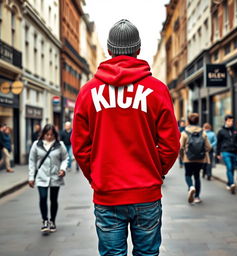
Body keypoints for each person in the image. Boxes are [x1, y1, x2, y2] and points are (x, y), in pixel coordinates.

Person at [71, 19, 180, 256]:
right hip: (146, 192)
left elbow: (80, 146)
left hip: (107, 192)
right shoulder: (156, 89)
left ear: (109, 51)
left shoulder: (88, 92)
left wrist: (97, 176)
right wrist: (156, 170)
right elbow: (171, 143)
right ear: (138, 50)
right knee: (148, 254)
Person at [28, 124, 68, 234]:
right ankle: (45, 220)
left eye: (51, 135)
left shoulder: (60, 145)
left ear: (55, 135)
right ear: (43, 134)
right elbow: (32, 161)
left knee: (53, 200)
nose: (49, 137)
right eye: (47, 134)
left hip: (55, 176)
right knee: (43, 197)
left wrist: (63, 169)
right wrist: (31, 177)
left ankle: (53, 221)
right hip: (41, 176)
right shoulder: (37, 144)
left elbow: (65, 158)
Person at [180, 113, 211, 204]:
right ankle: (197, 197)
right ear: (198, 121)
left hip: (188, 158)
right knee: (197, 176)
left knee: (188, 174)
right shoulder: (203, 132)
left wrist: (183, 157)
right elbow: (208, 147)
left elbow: (180, 147)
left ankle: (191, 187)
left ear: (188, 121)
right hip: (200, 158)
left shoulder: (184, 133)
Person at [216, 115, 237, 194]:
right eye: (229, 121)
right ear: (226, 121)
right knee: (229, 167)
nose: (231, 122)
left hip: (234, 151)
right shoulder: (221, 131)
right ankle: (232, 184)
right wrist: (218, 153)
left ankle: (229, 182)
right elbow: (219, 143)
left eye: (232, 121)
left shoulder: (236, 130)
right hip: (225, 151)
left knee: (232, 168)